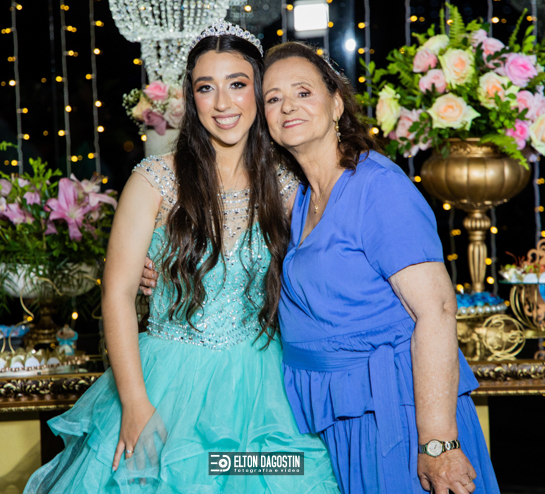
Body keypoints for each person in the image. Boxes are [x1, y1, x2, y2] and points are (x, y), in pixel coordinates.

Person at [24, 24, 339, 493]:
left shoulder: (287, 184)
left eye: (237, 84)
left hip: (265, 391)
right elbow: (117, 295)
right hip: (167, 386)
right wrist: (135, 403)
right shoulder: (154, 180)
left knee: (281, 476)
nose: (222, 103)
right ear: (192, 99)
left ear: (258, 91)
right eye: (205, 88)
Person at [260, 42, 499, 494]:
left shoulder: (378, 187)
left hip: (398, 419)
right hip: (338, 415)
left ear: (336, 104)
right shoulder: (303, 199)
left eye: (303, 92)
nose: (288, 106)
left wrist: (437, 443)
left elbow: (436, 311)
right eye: (273, 98)